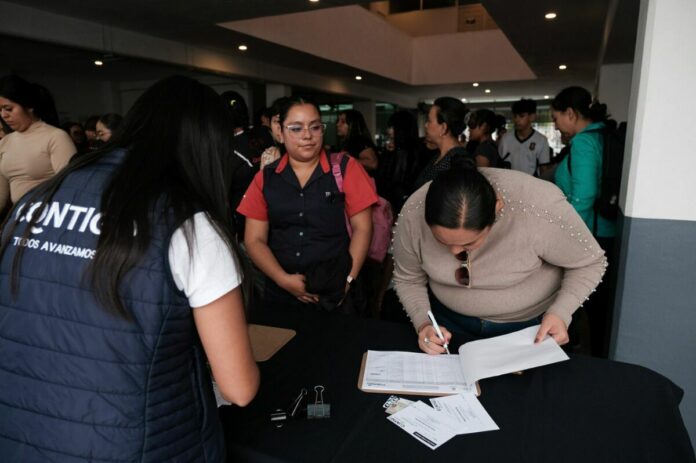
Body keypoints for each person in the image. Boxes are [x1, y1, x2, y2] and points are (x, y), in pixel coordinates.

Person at [0, 76, 259, 460]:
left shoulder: (38, 198)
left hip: (22, 431)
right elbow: (239, 388)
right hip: (135, 443)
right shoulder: (188, 225)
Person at [392, 158, 607, 354]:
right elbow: (408, 277)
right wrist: (424, 324)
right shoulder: (413, 212)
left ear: (497, 208)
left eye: (469, 243)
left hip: (528, 330)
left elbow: (590, 263)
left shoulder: (539, 207)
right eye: (442, 242)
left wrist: (560, 312)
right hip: (446, 326)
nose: (456, 252)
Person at [238, 97, 378, 312]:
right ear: (280, 132)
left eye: (315, 127)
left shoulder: (346, 168)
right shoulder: (265, 178)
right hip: (280, 294)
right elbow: (254, 239)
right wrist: (283, 279)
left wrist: (348, 280)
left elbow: (363, 228)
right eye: (296, 128)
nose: (307, 135)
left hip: (337, 292)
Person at [551, 86, 617, 357]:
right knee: (597, 307)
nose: (555, 126)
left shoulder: (583, 142)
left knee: (587, 301)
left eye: (556, 118)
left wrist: (566, 235)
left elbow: (584, 196)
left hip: (590, 234)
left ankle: (584, 357)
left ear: (570, 113)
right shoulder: (601, 135)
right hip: (602, 230)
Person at [0, 75, 77, 211]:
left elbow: (71, 186)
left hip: (50, 216)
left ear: (29, 106)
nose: (4, 115)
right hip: (20, 218)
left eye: (9, 109)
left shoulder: (56, 137)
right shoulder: (5, 142)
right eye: (0, 110)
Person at [413, 97, 469, 189]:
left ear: (443, 128)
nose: (426, 125)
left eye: (429, 121)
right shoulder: (441, 155)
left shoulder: (457, 162)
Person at [498, 98, 551, 176]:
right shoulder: (505, 139)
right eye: (515, 116)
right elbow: (499, 167)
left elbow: (544, 169)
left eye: (521, 116)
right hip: (509, 185)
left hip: (532, 185)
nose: (517, 120)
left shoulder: (541, 140)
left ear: (532, 117)